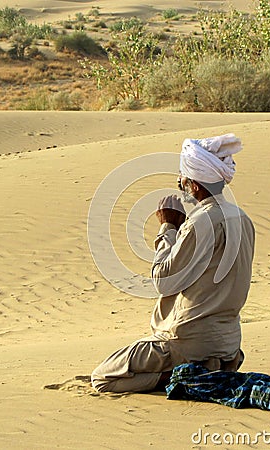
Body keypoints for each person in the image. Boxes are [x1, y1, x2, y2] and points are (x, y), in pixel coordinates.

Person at [91, 133, 255, 393]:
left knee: (103, 378)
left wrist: (167, 227)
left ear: (194, 185)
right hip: (227, 346)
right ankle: (202, 370)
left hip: (186, 343)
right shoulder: (242, 218)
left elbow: (163, 281)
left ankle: (177, 378)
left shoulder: (201, 222)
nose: (180, 183)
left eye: (183, 178)